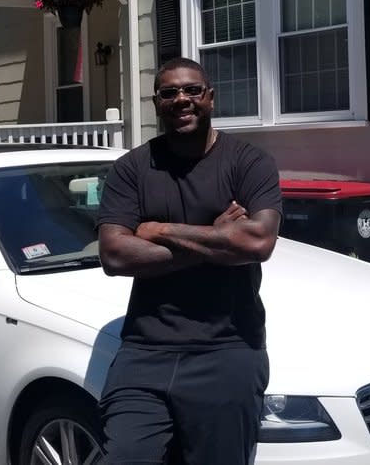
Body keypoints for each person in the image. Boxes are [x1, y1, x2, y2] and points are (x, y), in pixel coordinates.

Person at [96, 57, 282, 464]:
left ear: (210, 98)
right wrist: (218, 239)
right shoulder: (132, 169)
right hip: (145, 349)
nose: (182, 99)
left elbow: (257, 242)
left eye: (192, 90)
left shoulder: (248, 163)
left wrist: (160, 230)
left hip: (228, 347)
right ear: (157, 102)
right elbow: (113, 253)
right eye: (170, 92)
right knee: (124, 455)